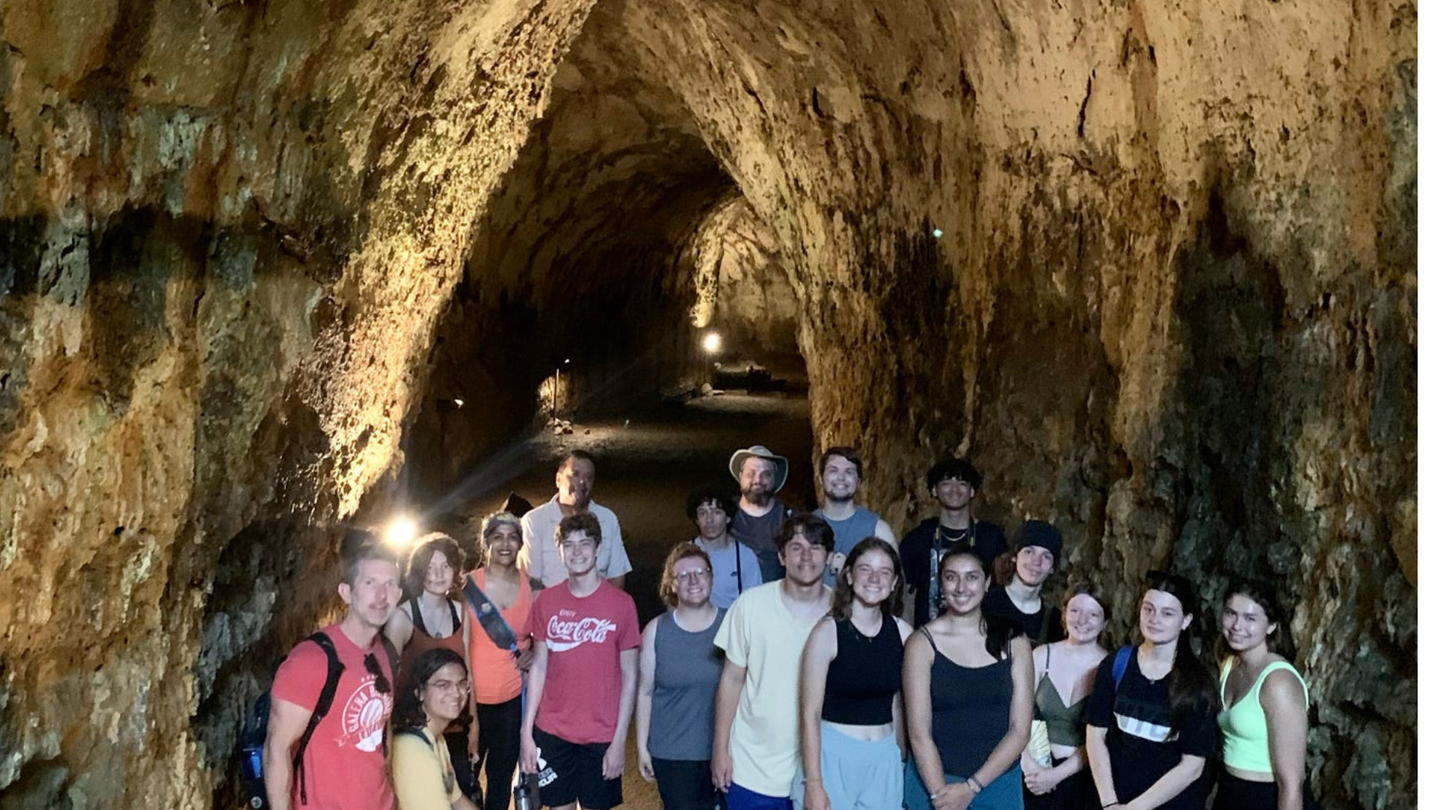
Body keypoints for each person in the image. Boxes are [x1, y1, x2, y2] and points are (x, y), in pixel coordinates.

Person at [264, 542, 401, 810]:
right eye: (370, 583)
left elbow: (382, 731)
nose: (381, 595)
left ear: (398, 595)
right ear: (346, 593)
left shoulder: (386, 653)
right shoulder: (310, 660)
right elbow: (275, 750)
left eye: (390, 585)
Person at [519, 512, 641, 810]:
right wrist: (527, 731)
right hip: (552, 730)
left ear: (598, 549)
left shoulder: (622, 604)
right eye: (568, 545)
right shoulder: (546, 602)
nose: (577, 552)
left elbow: (630, 677)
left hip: (600, 734)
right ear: (559, 552)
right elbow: (539, 666)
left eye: (585, 543)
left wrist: (619, 742)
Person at [713, 513, 834, 810]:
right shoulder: (750, 605)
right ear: (781, 556)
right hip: (752, 766)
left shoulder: (842, 612)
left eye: (815, 547)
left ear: (829, 557)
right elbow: (731, 680)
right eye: (796, 547)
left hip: (821, 769)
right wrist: (720, 749)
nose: (806, 556)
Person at [904, 547, 1034, 810]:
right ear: (941, 584)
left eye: (972, 577)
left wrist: (972, 787)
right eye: (951, 577)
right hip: (934, 783)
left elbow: (1020, 730)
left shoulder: (1014, 641)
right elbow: (919, 734)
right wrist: (941, 797)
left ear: (987, 582)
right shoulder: (921, 644)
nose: (961, 587)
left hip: (997, 783)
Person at [796, 537, 913, 810]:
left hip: (884, 757)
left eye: (884, 572)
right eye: (865, 569)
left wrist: (898, 758)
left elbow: (898, 703)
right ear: (848, 576)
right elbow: (809, 712)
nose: (874, 578)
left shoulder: (903, 633)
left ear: (894, 583)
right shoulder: (827, 632)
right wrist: (813, 783)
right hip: (833, 757)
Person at [1085, 571, 1218, 810]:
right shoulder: (1116, 665)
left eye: (1167, 613)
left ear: (1186, 621)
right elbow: (1095, 735)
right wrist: (1110, 802)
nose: (1154, 619)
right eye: (1149, 609)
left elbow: (1192, 765)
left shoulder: (1197, 684)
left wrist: (1135, 808)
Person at [385, 534, 478, 801]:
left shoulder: (461, 612)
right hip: (414, 726)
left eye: (446, 566)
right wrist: (386, 736)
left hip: (454, 722)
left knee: (460, 792)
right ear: (419, 571)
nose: (438, 574)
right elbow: (387, 681)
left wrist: (474, 726)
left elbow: (468, 672)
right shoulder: (402, 618)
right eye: (430, 567)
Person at [637, 544, 728, 810]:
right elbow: (645, 692)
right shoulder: (656, 631)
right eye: (684, 575)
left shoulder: (732, 624)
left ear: (711, 577)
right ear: (673, 585)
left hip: (724, 750)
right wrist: (642, 747)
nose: (694, 580)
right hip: (673, 754)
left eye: (701, 572)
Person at [1215, 579, 1317, 810]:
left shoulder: (1278, 682)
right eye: (1231, 613)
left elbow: (1291, 784)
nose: (1237, 625)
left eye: (1250, 618)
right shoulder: (1230, 665)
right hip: (1230, 792)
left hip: (1265, 798)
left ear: (1271, 626)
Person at [464, 512, 535, 810]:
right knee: (465, 779)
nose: (505, 544)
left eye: (512, 537)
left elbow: (544, 638)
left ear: (520, 543)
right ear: (486, 543)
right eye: (497, 537)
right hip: (469, 699)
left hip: (512, 698)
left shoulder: (532, 587)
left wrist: (533, 652)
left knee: (501, 777)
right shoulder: (467, 586)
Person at [1021, 582, 1109, 810]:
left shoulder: (1110, 668)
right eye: (1075, 610)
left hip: (1082, 776)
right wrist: (1028, 764)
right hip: (1033, 772)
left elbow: (1105, 737)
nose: (1082, 620)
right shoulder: (1042, 656)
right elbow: (1015, 714)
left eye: (1093, 614)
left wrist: (1056, 775)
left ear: (1104, 622)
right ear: (1064, 614)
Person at [899, 459, 1007, 627]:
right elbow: (906, 594)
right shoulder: (918, 538)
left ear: (972, 491)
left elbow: (1003, 589)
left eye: (962, 484)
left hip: (979, 633)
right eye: (946, 483)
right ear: (934, 490)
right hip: (929, 633)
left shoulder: (991, 537)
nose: (954, 489)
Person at [520, 451, 633, 588]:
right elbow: (531, 581)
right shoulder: (535, 521)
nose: (582, 482)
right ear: (558, 479)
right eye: (575, 475)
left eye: (588, 477)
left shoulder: (607, 519)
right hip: (551, 600)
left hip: (597, 601)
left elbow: (617, 577)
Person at [392, 648, 483, 810]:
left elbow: (457, 799)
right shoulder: (414, 751)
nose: (456, 693)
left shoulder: (435, 738)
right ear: (420, 692)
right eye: (443, 685)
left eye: (461, 684)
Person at [815, 446, 897, 588]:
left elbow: (893, 584)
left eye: (849, 472)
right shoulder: (804, 528)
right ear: (821, 478)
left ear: (858, 482)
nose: (841, 477)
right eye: (833, 470)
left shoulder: (879, 531)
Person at [982, 521, 1064, 645]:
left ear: (1052, 568)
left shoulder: (1055, 621)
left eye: (1046, 556)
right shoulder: (986, 605)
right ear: (1014, 556)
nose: (1036, 562)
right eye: (1029, 552)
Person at [687, 484, 764, 608]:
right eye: (702, 513)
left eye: (716, 512)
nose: (709, 520)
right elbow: (673, 602)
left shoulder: (745, 557)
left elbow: (755, 603)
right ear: (696, 519)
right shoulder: (683, 555)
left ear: (728, 518)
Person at [727, 445, 795, 582]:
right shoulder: (724, 515)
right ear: (741, 476)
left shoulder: (790, 518)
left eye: (766, 474)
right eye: (750, 474)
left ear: (774, 479)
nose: (758, 480)